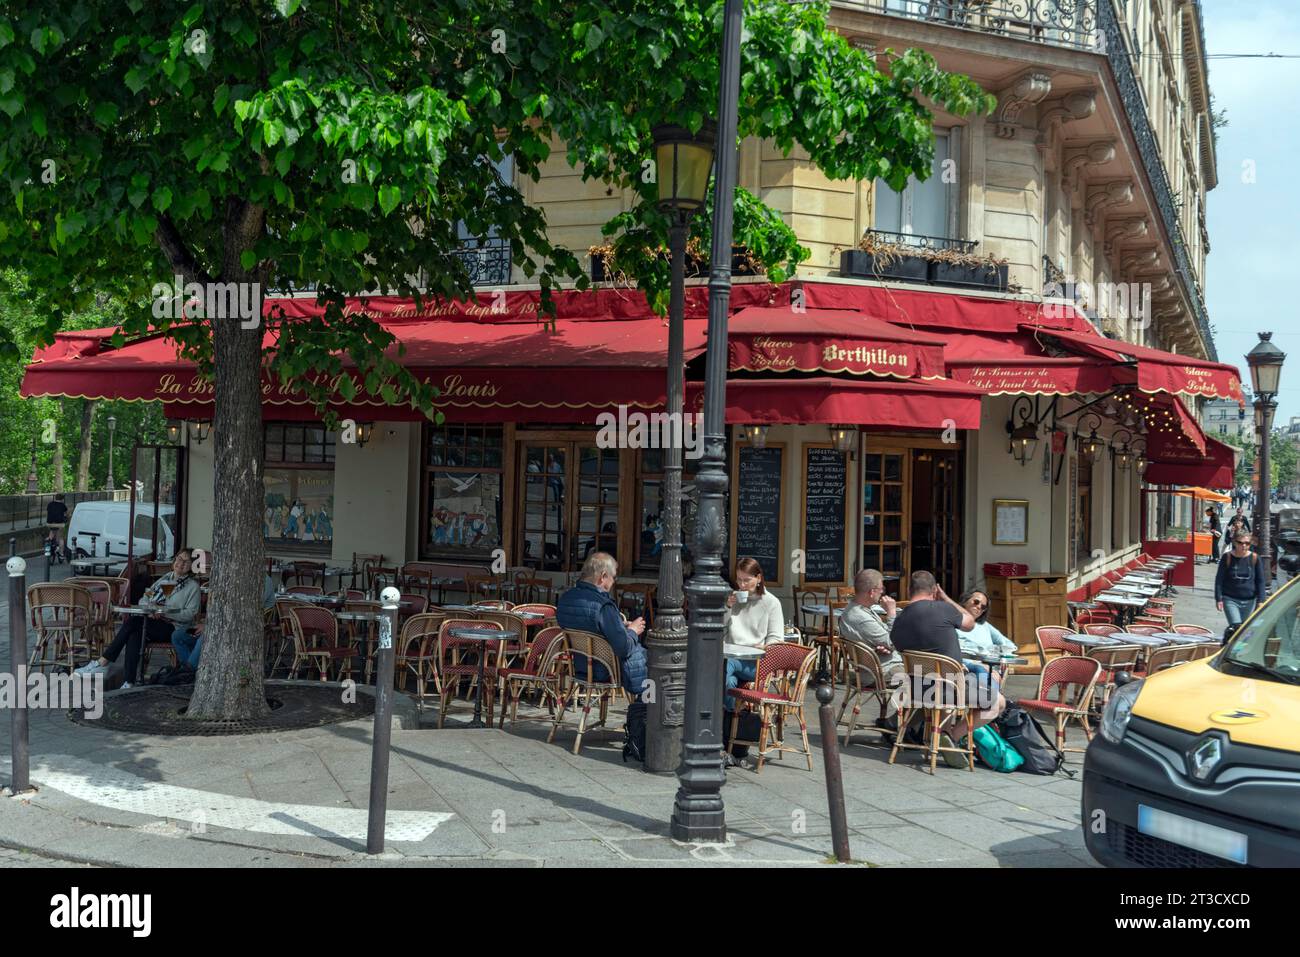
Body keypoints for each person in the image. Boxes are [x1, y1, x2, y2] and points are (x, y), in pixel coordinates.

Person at [891, 571, 999, 766]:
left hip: (916, 691)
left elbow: (898, 647)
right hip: (949, 689)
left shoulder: (899, 620)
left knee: (953, 686)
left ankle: (942, 734)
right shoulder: (943, 609)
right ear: (934, 590)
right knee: (996, 702)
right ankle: (949, 736)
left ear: (909, 590)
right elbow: (970, 623)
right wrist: (946, 598)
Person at [555, 552, 648, 761]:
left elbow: (590, 628)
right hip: (605, 668)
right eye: (613, 577)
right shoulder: (602, 604)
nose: (614, 581)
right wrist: (632, 630)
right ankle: (642, 727)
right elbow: (623, 648)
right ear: (602, 577)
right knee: (657, 669)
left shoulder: (567, 598)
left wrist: (619, 627)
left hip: (580, 664)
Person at [76, 548, 200, 687]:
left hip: (174, 628)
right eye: (179, 558)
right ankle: (129, 682)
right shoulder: (164, 579)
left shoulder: (192, 586)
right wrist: (151, 608)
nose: (180, 563)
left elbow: (191, 614)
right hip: (153, 621)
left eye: (186, 561)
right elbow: (144, 599)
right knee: (134, 633)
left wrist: (164, 612)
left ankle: (103, 662)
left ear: (191, 566)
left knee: (133, 622)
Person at [172, 573, 276, 672]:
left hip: (243, 627)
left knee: (206, 637)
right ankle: (191, 670)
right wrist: (208, 623)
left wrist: (210, 626)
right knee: (178, 636)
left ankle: (188, 670)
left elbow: (245, 611)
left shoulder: (263, 580)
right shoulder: (235, 577)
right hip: (219, 624)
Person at [722, 558, 785, 711]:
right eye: (738, 580)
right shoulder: (734, 599)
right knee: (729, 680)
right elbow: (721, 629)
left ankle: (716, 713)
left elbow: (777, 639)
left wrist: (763, 646)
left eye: (746, 580)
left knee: (726, 664)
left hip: (756, 664)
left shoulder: (771, 603)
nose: (741, 585)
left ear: (758, 578)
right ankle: (731, 720)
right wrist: (728, 607)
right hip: (732, 658)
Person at [837, 568, 903, 680]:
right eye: (881, 588)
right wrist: (891, 613)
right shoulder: (860, 617)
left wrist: (880, 647)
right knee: (926, 675)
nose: (882, 592)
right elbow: (894, 641)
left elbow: (887, 639)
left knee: (924, 671)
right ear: (872, 592)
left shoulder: (861, 609)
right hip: (883, 672)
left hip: (883, 666)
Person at [1216, 533, 1268, 630]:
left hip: (1250, 601)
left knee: (1244, 630)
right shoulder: (1227, 557)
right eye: (1240, 543)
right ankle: (1233, 643)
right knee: (1236, 627)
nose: (1244, 545)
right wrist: (1218, 598)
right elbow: (1219, 579)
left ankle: (1233, 645)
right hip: (1230, 599)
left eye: (1247, 543)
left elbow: (1260, 581)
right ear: (1234, 542)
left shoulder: (1255, 558)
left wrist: (1261, 600)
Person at [956, 589, 1017, 660]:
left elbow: (1009, 644)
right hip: (965, 664)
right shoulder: (953, 622)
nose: (979, 607)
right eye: (976, 602)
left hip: (990, 663)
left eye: (983, 607)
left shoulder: (984, 625)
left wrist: (998, 650)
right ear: (965, 601)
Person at [45, 493, 68, 563]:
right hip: (59, 524)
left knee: (51, 535)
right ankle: (61, 554)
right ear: (62, 499)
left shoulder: (50, 504)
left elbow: (48, 513)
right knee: (61, 538)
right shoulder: (62, 505)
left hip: (50, 523)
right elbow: (66, 514)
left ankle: (47, 548)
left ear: (55, 498)